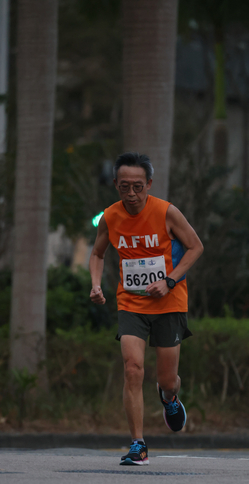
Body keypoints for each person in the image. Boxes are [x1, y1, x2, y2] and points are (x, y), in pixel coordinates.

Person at [89, 152, 203, 465]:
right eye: (124, 186)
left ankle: (169, 397)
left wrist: (170, 280)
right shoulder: (110, 216)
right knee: (132, 368)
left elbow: (196, 247)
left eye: (138, 186)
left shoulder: (167, 212)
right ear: (115, 184)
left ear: (149, 184)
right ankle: (138, 444)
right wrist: (96, 284)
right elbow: (97, 253)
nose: (131, 193)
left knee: (167, 379)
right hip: (131, 303)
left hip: (169, 303)